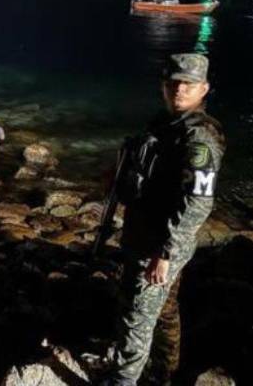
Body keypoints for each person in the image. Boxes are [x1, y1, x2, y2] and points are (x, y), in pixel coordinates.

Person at [102, 54, 225, 385]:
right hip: (144, 233)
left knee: (137, 316)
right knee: (165, 309)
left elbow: (198, 202)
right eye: (173, 83)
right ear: (163, 86)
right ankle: (166, 372)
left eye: (189, 84)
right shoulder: (165, 124)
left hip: (161, 243)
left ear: (205, 89)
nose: (180, 89)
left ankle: (123, 381)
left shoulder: (200, 137)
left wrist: (166, 254)